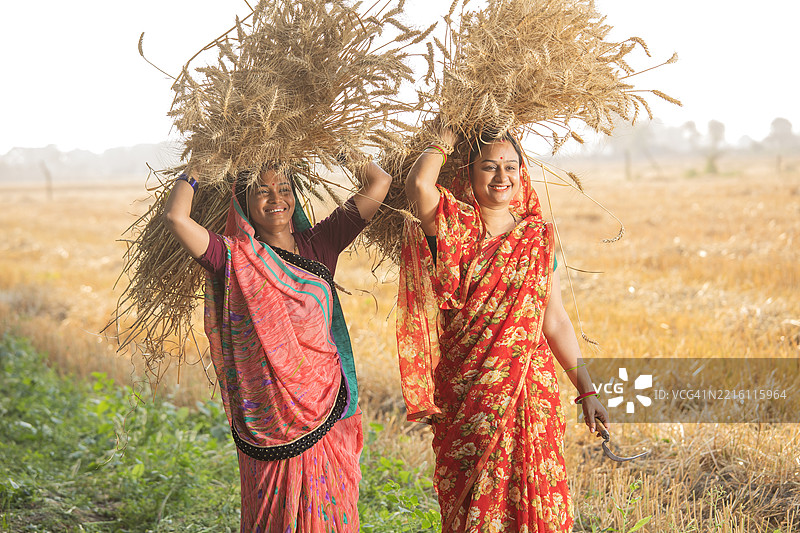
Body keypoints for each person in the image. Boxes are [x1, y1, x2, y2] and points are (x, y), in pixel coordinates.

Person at [397, 127, 609, 532]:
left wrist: (587, 390)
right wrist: (449, 132)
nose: (501, 177)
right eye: (489, 167)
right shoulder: (453, 226)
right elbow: (420, 184)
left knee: (535, 496)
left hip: (531, 390)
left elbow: (555, 319)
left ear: (522, 173)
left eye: (511, 167)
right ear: (469, 171)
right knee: (476, 500)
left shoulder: (538, 238)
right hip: (470, 392)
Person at [163, 159, 392, 532]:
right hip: (270, 419)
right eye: (262, 191)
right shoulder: (233, 256)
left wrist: (332, 144)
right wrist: (198, 166)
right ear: (243, 202)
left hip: (326, 403)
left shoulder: (320, 242)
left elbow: (379, 182)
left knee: (331, 514)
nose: (276, 199)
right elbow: (176, 218)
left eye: (284, 189)